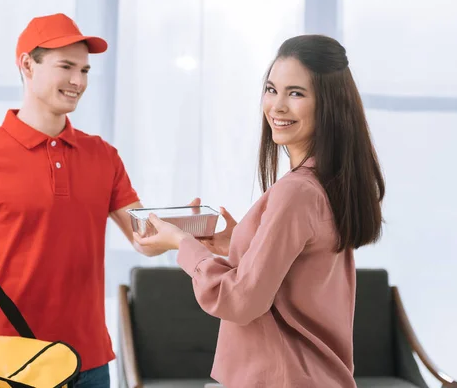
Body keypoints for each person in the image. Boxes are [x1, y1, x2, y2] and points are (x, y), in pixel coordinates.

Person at [0, 13, 179, 388]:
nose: (78, 81)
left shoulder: (103, 155)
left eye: (85, 70)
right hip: (10, 363)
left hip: (89, 363)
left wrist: (183, 232)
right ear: (27, 64)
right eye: (66, 67)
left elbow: (144, 239)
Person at [133, 34, 385, 387]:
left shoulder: (296, 193)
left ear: (329, 104)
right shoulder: (328, 184)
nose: (277, 106)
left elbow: (240, 301)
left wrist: (183, 244)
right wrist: (238, 242)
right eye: (271, 89)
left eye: (296, 93)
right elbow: (303, 267)